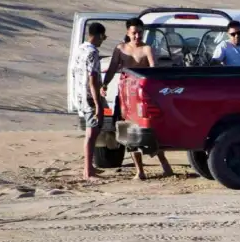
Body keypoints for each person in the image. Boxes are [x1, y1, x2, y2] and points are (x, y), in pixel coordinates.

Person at [102, 18, 173, 180]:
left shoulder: (147, 49)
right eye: (134, 33)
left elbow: (154, 70)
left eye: (140, 32)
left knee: (150, 131)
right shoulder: (120, 49)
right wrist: (104, 84)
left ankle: (165, 165)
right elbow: (112, 68)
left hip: (143, 97)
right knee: (128, 132)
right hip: (125, 96)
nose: (137, 36)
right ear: (128, 32)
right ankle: (139, 171)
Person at [72, 22, 107, 181]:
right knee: (92, 134)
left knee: (90, 132)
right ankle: (88, 171)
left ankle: (90, 167)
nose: (103, 40)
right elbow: (93, 80)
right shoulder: (92, 52)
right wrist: (98, 103)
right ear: (99, 35)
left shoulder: (80, 49)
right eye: (103, 37)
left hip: (80, 95)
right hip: (89, 97)